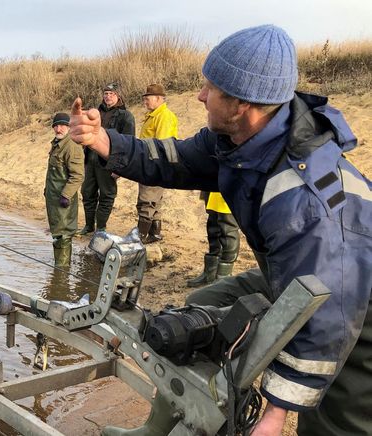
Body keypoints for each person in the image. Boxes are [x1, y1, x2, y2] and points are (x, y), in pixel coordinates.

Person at [70, 24, 371, 436]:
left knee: (332, 420)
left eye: (209, 88)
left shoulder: (307, 202)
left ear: (242, 102)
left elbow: (331, 314)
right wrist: (107, 141)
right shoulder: (237, 139)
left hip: (356, 303)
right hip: (296, 275)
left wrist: (276, 413)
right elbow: (173, 158)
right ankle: (161, 427)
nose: (199, 95)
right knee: (196, 316)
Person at [79, 83, 135, 235]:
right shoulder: (96, 113)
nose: (108, 96)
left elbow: (128, 142)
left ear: (118, 96)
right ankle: (89, 226)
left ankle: (101, 228)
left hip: (109, 163)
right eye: (106, 93)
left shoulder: (126, 116)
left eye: (111, 93)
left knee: (107, 194)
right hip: (90, 160)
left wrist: (120, 168)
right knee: (87, 193)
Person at [136, 83, 178, 243]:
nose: (145, 101)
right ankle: (154, 234)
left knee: (147, 201)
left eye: (148, 98)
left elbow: (162, 144)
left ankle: (141, 237)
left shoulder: (164, 117)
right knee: (154, 202)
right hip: (152, 164)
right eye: (144, 98)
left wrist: (153, 167)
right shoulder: (154, 115)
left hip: (154, 166)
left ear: (159, 99)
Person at [45, 112, 84, 267]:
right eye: (56, 125)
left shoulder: (72, 147)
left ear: (69, 127)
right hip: (53, 198)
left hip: (64, 200)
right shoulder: (56, 143)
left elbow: (77, 175)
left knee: (64, 235)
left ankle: (62, 272)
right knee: (57, 233)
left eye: (62, 125)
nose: (58, 129)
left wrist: (66, 195)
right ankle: (59, 267)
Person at [186, 191, 240, 287]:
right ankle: (210, 272)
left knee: (227, 227)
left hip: (228, 183)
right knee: (213, 226)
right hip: (213, 185)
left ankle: (224, 276)